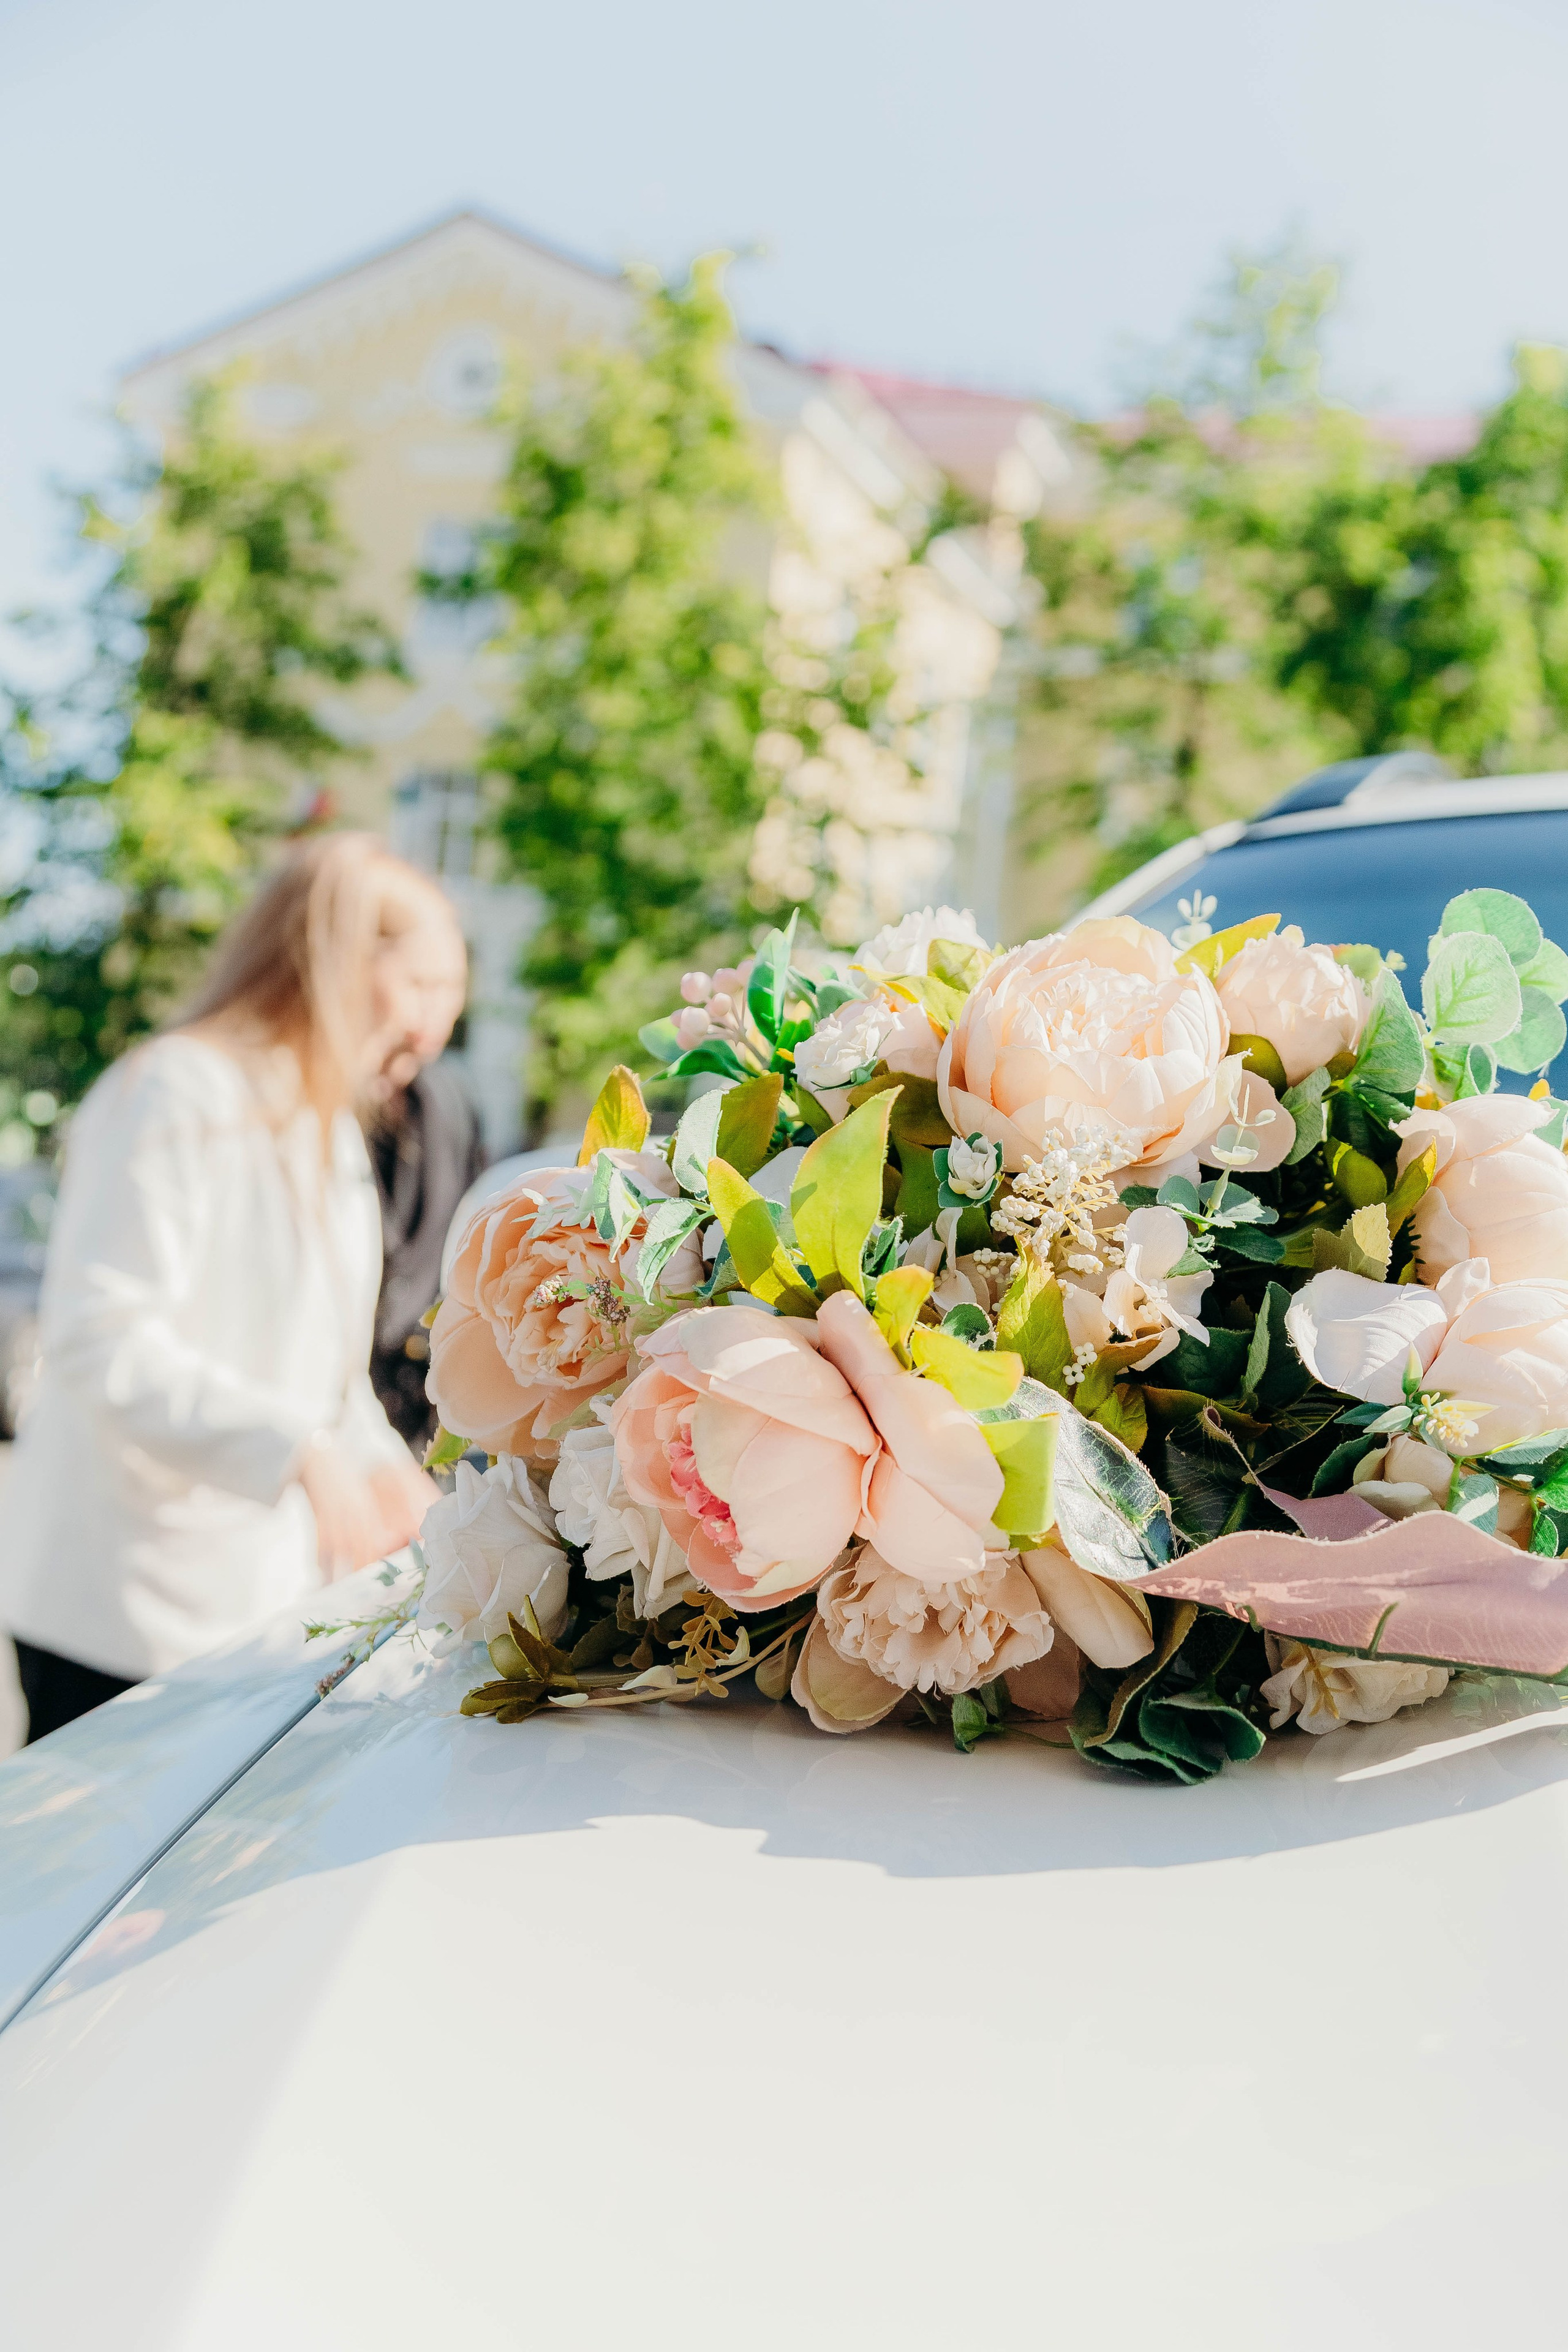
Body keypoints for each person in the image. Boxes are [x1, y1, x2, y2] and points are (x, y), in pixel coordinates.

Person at [0, 833, 454, 1743]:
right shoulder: (174, 1091)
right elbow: (103, 1339)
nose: (433, 1031)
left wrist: (406, 1490)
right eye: (425, 988)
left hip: (240, 1614)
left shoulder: (326, 1133)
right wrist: (299, 1454)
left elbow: (323, 1375)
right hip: (117, 1602)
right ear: (338, 961)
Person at [366, 930, 485, 1453]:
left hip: (417, 1404)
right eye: (420, 984)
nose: (436, 1006)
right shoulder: (312, 1102)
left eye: (451, 987)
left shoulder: (454, 1096)